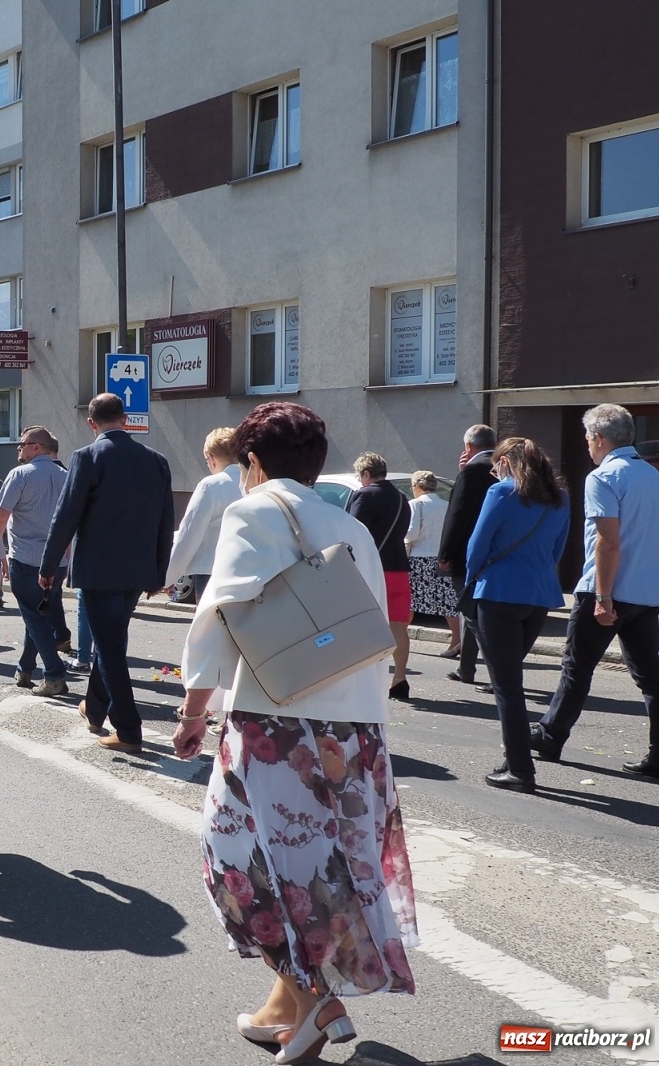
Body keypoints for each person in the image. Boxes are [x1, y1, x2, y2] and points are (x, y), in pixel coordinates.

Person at [170, 401, 417, 1064]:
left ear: (252, 462)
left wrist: (194, 712)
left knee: (234, 861)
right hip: (355, 723)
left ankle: (315, 1005)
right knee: (319, 867)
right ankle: (285, 1008)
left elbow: (221, 615)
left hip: (281, 719)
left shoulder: (252, 511)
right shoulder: (346, 521)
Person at [39, 393, 175, 754]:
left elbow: (65, 515)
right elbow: (166, 522)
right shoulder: (156, 461)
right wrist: (158, 573)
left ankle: (129, 730)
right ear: (126, 419)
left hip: (99, 571)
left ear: (91, 422)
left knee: (111, 648)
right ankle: (95, 708)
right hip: (139, 570)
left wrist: (49, 567)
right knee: (110, 639)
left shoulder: (87, 457)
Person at [533, 404, 659, 777]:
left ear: (600, 439)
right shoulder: (654, 477)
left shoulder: (603, 477)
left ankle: (550, 735)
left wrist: (604, 597)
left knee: (577, 667)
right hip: (646, 591)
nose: (588, 445)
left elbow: (608, 542)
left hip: (606, 589)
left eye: (589, 438)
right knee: (650, 676)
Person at [468, 440, 572, 793]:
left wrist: (472, 580)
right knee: (511, 680)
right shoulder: (560, 497)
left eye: (496, 465)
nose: (494, 472)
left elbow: (477, 546)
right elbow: (558, 549)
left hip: (498, 593)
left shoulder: (500, 492)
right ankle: (515, 758)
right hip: (539, 596)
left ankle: (520, 770)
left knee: (507, 686)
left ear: (507, 464)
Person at [0, 426, 71, 696]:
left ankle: (54, 674)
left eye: (22, 444)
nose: (19, 448)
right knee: (38, 615)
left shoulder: (20, 475)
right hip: (57, 561)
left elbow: (0, 517)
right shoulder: (66, 475)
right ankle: (25, 667)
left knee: (34, 616)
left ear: (37, 447)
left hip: (26, 559)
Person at [347, 453, 413, 700]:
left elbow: (354, 530)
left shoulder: (365, 494)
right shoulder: (401, 498)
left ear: (365, 474)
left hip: (373, 567)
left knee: (362, 622)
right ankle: (400, 678)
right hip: (398, 566)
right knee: (398, 625)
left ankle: (362, 679)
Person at [438, 424, 499, 689]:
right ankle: (466, 667)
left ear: (468, 447)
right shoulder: (500, 464)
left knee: (471, 613)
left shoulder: (474, 469)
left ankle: (499, 672)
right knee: (471, 610)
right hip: (495, 551)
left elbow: (458, 513)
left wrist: (445, 553)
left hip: (467, 553)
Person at [163, 427, 244, 605]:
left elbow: (189, 534)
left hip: (210, 573)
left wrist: (168, 577)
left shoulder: (211, 485)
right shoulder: (251, 483)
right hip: (247, 572)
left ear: (212, 458)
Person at [404, 471, 460, 655]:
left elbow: (411, 534)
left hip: (419, 559)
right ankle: (457, 640)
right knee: (447, 601)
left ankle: (398, 637)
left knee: (410, 601)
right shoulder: (446, 505)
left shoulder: (415, 504)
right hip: (441, 559)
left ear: (417, 486)